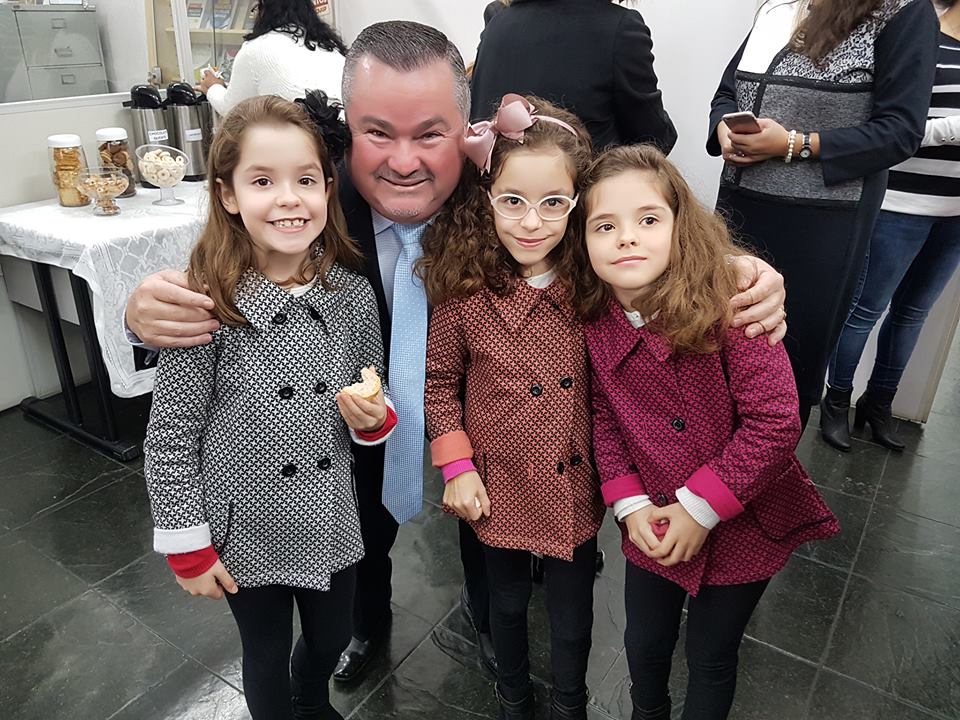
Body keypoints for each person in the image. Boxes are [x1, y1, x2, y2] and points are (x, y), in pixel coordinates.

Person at [124, 19, 787, 686]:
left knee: (487, 537)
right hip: (339, 430)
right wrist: (139, 309)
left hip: (493, 423)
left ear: (467, 130)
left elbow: (626, 217)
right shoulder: (310, 200)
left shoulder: (508, 194)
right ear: (347, 127)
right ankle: (365, 622)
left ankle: (488, 616)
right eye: (377, 132)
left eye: (430, 134)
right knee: (362, 526)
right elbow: (221, 260)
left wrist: (732, 267)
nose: (403, 161)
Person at [142, 93, 397, 720]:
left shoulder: (352, 295)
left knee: (333, 634)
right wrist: (187, 545)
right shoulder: (207, 304)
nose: (289, 198)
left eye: (306, 180)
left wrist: (374, 420)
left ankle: (310, 698)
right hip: (244, 521)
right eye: (262, 181)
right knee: (263, 649)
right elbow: (171, 436)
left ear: (328, 190)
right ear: (228, 195)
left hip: (329, 512)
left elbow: (375, 388)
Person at [577, 144, 839, 720]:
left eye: (648, 219)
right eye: (605, 225)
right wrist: (629, 504)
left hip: (742, 521)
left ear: (680, 226)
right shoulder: (595, 320)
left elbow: (776, 422)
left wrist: (700, 509)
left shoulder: (732, 306)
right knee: (643, 643)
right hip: (650, 518)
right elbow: (603, 413)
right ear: (583, 240)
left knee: (711, 655)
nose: (627, 238)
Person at [420, 94, 604, 720]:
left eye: (553, 203)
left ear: (577, 204)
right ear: (487, 199)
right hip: (495, 481)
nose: (532, 222)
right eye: (513, 201)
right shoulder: (464, 292)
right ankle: (513, 696)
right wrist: (456, 466)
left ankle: (571, 702)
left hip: (574, 480)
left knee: (573, 611)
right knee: (504, 603)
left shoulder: (593, 287)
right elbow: (439, 384)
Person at [708, 0, 939, 429]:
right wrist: (722, 125)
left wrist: (793, 144)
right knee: (719, 341)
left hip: (821, 223)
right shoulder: (778, 8)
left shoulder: (902, 11)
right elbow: (727, 92)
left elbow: (899, 131)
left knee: (788, 361)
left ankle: (770, 464)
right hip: (738, 209)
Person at [821, 0, 960, 451]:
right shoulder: (920, 35)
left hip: (955, 212)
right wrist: (951, 129)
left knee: (913, 314)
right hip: (900, 203)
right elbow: (890, 128)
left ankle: (878, 405)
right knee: (865, 309)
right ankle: (836, 402)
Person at [469, 0, 677, 153]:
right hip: (578, 192)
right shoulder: (619, 27)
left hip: (497, 191)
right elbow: (653, 138)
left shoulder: (497, 25)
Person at [199, 0, 346, 117]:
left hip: (298, 139)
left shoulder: (256, 48)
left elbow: (232, 110)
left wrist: (212, 87)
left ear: (264, 10)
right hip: (343, 139)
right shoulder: (331, 47)